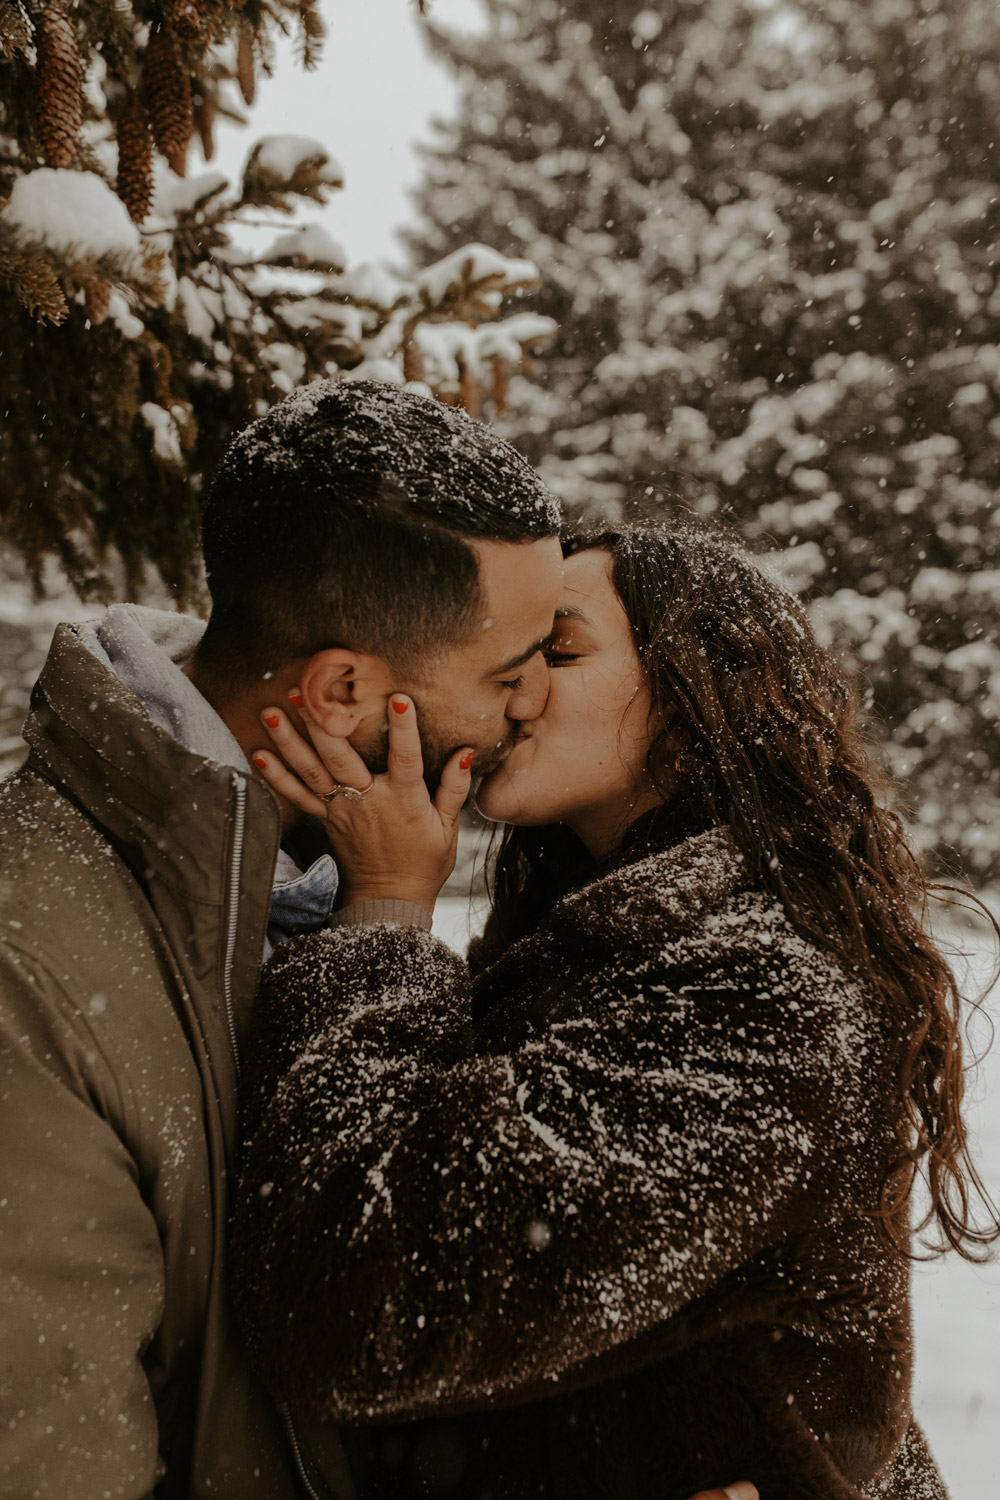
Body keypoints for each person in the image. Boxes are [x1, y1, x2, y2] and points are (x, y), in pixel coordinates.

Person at [232, 522, 999, 1499]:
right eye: (508, 652)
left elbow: (363, 1305)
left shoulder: (764, 995)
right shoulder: (598, 949)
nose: (515, 685)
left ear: (692, 696)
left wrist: (383, 918)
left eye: (558, 648)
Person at [0, 380, 567, 1499]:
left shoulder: (309, 884)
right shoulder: (31, 964)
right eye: (510, 671)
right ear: (348, 691)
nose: (540, 702)